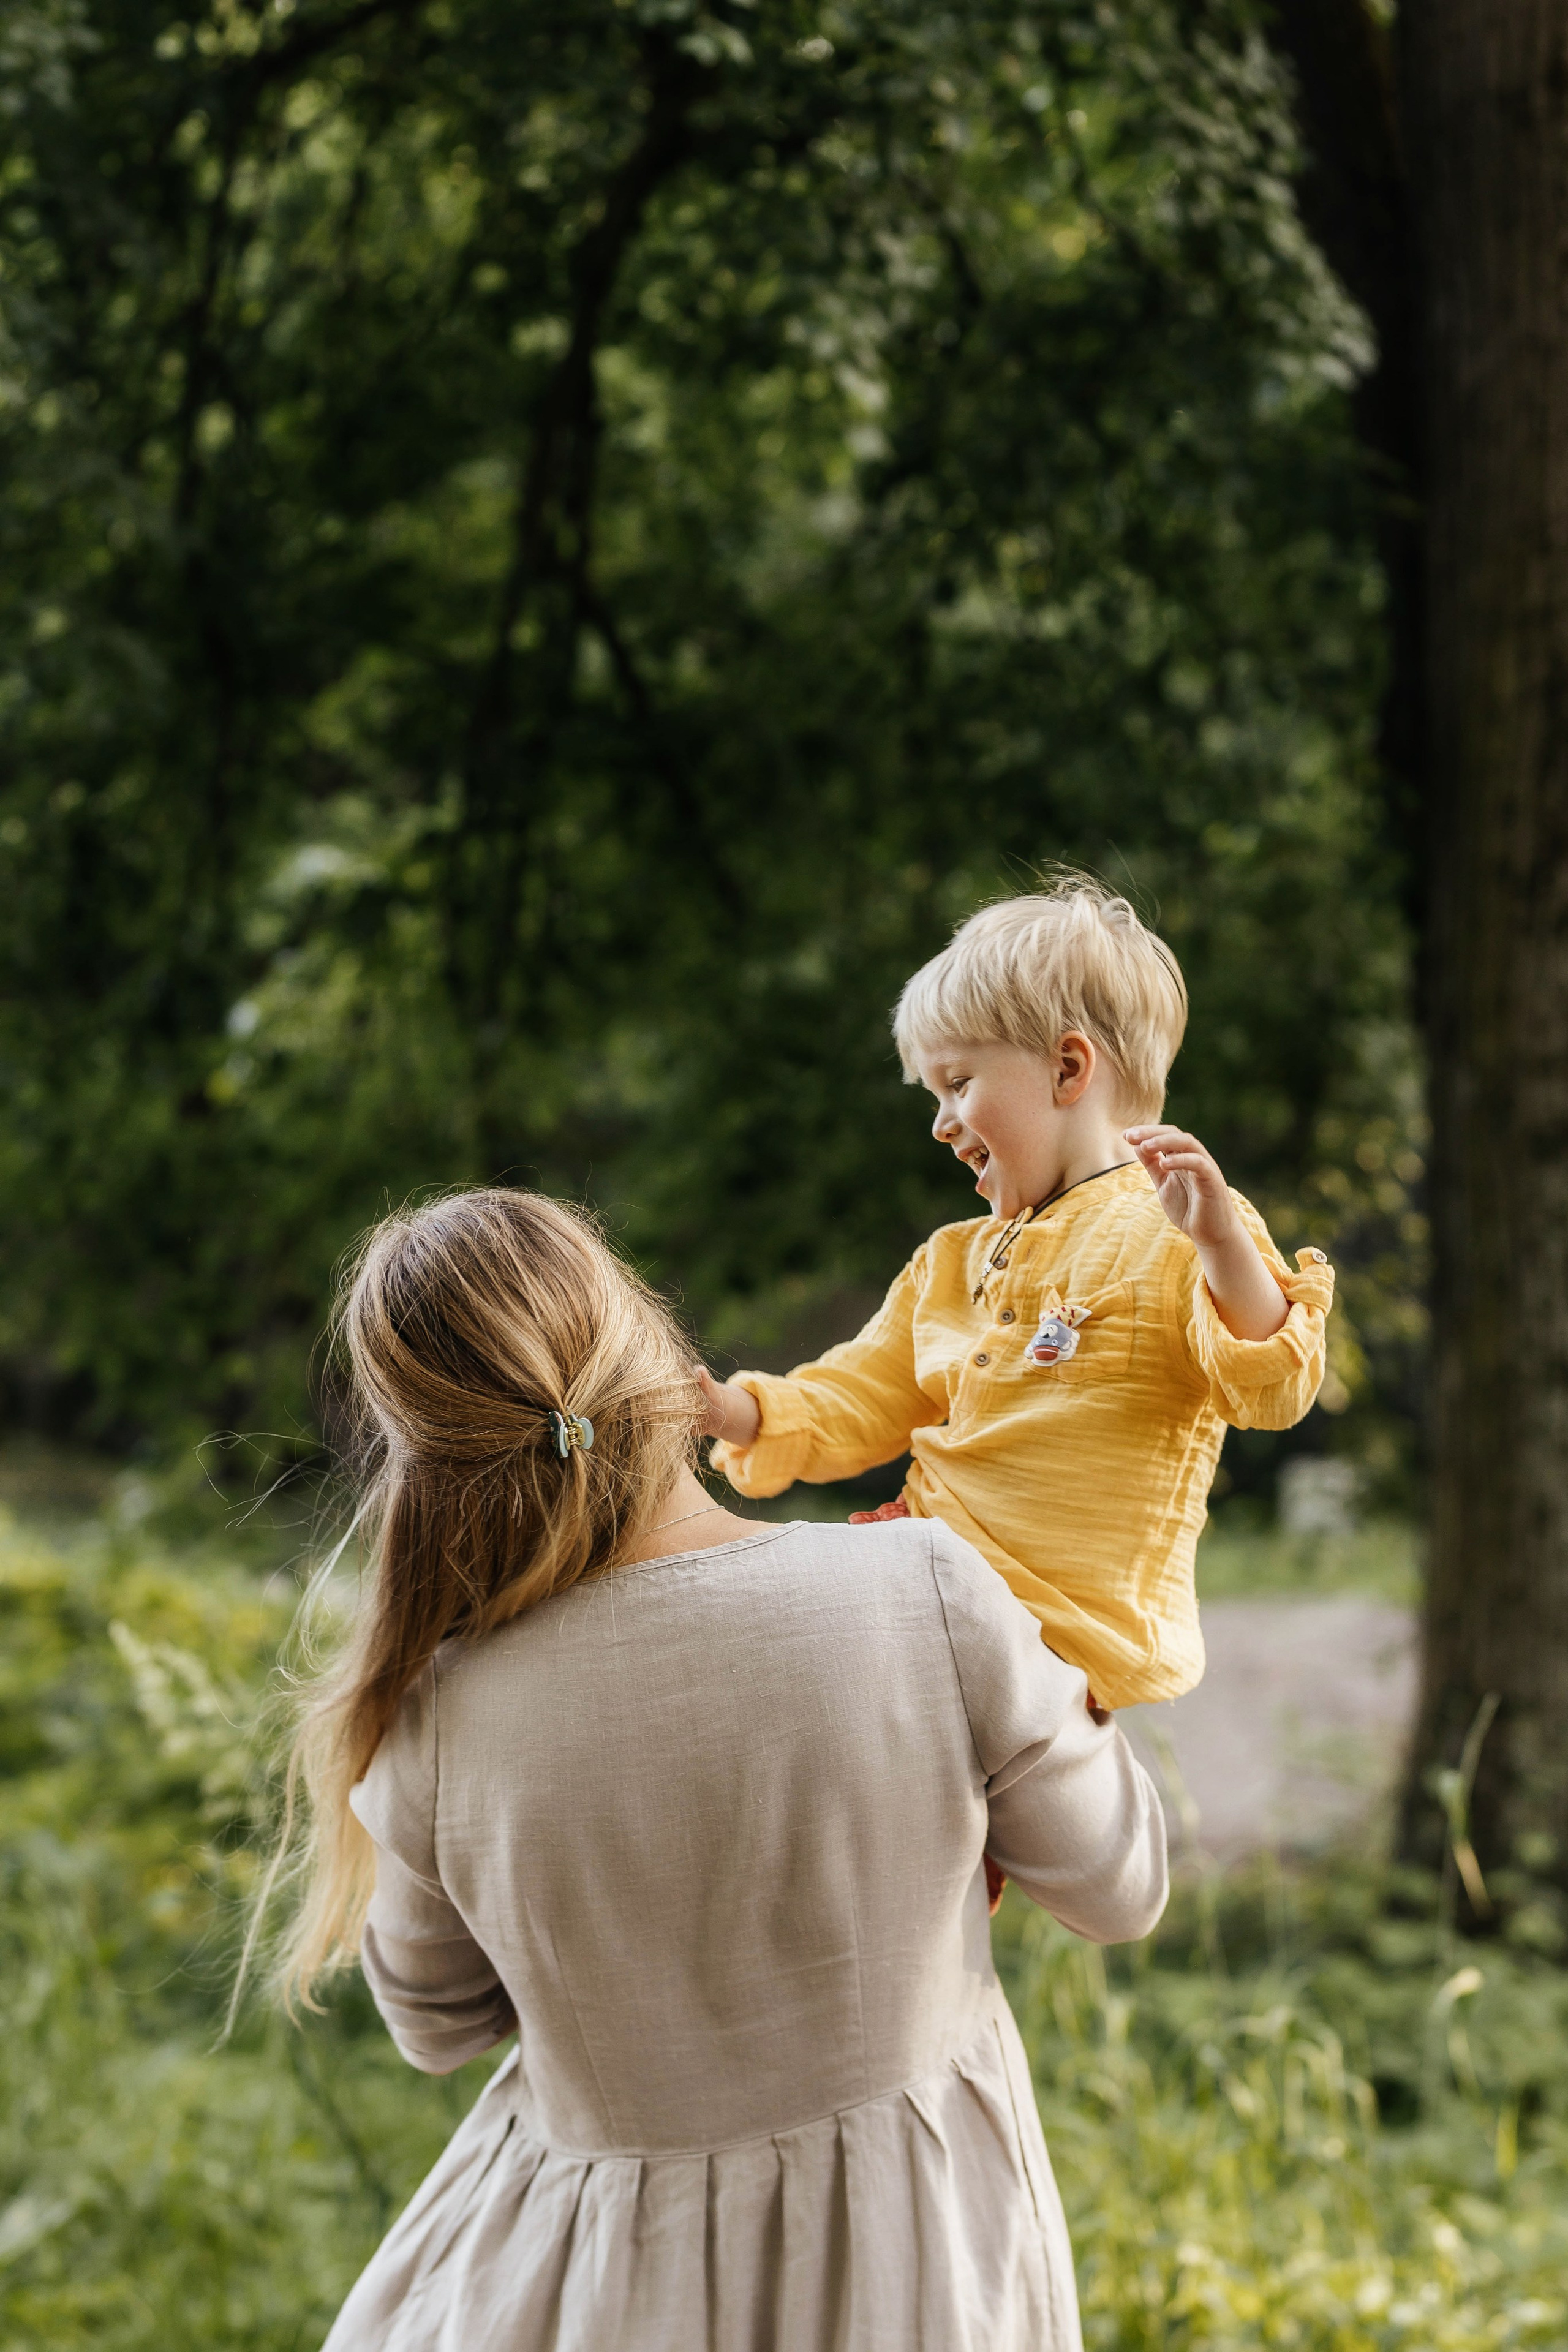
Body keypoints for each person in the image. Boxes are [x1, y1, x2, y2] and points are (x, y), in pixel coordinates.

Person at [276, 1188, 1168, 2352]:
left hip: (579, 2290)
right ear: (652, 1348)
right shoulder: (924, 1593)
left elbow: (435, 2025)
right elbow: (1118, 1889)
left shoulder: (442, 1716)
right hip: (914, 2267)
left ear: (426, 1457)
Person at [699, 874, 1335, 1729]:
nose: (939, 1122)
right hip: (928, 1576)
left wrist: (1220, 1244)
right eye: (932, 1095)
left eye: (957, 1084)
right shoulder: (953, 1262)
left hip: (1057, 1630)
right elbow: (859, 1394)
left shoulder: (1181, 1226)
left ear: (1069, 1068)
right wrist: (727, 1409)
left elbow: (1269, 1388)